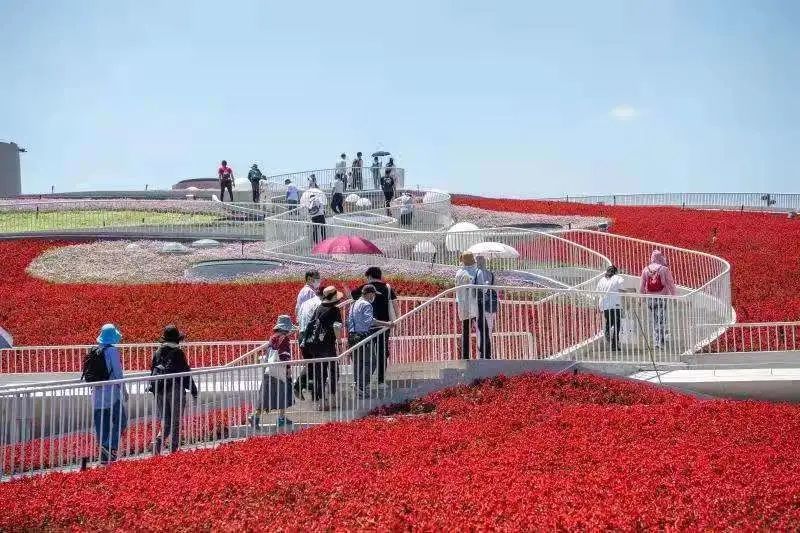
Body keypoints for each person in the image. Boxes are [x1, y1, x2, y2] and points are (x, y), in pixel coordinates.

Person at [147, 325, 198, 455]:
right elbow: (186, 373)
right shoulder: (178, 353)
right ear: (177, 339)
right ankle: (173, 450)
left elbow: (152, 371)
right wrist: (193, 391)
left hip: (159, 390)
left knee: (166, 420)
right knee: (175, 421)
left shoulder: (157, 352)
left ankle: (158, 442)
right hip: (175, 390)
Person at [348, 267, 399, 388]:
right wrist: (396, 321)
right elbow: (395, 305)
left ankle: (360, 382)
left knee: (364, 357)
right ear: (380, 276)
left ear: (369, 276)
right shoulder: (387, 287)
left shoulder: (364, 288)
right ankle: (380, 381)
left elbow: (352, 296)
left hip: (367, 329)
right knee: (381, 353)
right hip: (383, 327)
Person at [249, 315, 296, 429]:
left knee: (265, 395)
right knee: (283, 393)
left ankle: (256, 417)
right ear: (286, 329)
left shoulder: (272, 337)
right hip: (279, 372)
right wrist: (288, 369)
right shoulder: (284, 339)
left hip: (268, 371)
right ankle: (281, 418)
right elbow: (284, 355)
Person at [91, 324, 128, 465]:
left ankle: (104, 456)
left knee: (102, 426)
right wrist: (124, 390)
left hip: (96, 395)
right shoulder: (112, 351)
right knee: (121, 421)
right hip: (112, 394)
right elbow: (118, 373)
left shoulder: (95, 350)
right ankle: (110, 446)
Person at [302, 286, 344, 410]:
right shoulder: (334, 310)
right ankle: (332, 399)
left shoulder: (318, 308)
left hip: (316, 346)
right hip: (328, 346)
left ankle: (320, 402)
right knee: (333, 372)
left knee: (320, 374)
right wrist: (339, 342)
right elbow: (337, 327)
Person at [640, 250, 677, 349]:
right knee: (661, 320)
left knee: (655, 320)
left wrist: (641, 299)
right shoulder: (663, 269)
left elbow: (642, 286)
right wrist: (674, 297)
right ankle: (660, 342)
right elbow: (670, 284)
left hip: (650, 299)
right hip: (661, 298)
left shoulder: (646, 269)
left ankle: (657, 341)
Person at [294, 286, 323, 400]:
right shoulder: (320, 303)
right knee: (315, 364)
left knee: (311, 364)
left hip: (302, 335)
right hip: (311, 336)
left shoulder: (306, 303)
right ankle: (300, 386)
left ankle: (309, 389)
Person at [455, 252, 484, 359]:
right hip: (475, 305)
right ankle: (482, 354)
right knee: (481, 330)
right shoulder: (477, 272)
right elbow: (483, 288)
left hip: (463, 305)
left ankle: (465, 356)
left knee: (465, 331)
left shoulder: (459, 273)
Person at [596, 265, 628, 351]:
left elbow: (597, 292)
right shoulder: (618, 278)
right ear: (616, 272)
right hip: (615, 304)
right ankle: (614, 343)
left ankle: (607, 332)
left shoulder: (601, 280)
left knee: (609, 321)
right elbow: (622, 289)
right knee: (617, 323)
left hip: (604, 304)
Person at [474, 255, 496, 359]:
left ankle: (482, 353)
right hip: (490, 305)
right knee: (488, 329)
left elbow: (480, 289)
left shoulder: (477, 273)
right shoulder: (490, 274)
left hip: (481, 304)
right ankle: (487, 353)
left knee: (481, 329)